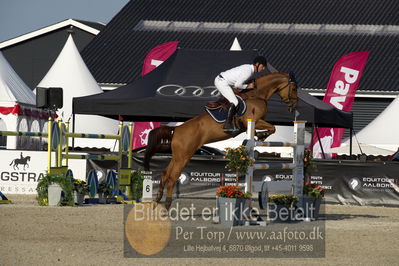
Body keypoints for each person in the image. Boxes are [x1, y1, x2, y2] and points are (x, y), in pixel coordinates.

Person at [214, 56, 267, 132]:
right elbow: (237, 85)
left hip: (223, 81)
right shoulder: (248, 71)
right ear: (257, 64)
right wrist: (247, 86)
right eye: (263, 66)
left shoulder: (249, 69)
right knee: (235, 102)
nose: (264, 68)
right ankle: (227, 125)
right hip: (222, 82)